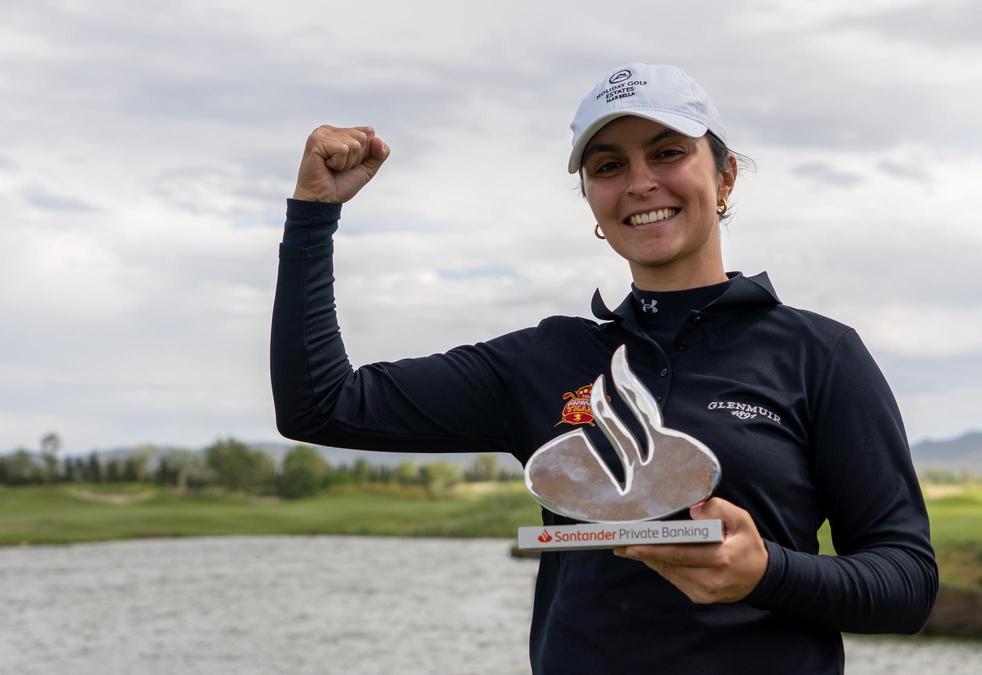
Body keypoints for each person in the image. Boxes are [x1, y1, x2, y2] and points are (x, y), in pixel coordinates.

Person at [272, 62, 937, 674]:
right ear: (591, 198)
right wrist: (313, 216)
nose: (641, 181)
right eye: (608, 165)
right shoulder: (545, 359)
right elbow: (321, 403)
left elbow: (906, 583)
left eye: (668, 152)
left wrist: (767, 572)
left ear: (725, 175)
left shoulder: (819, 355)